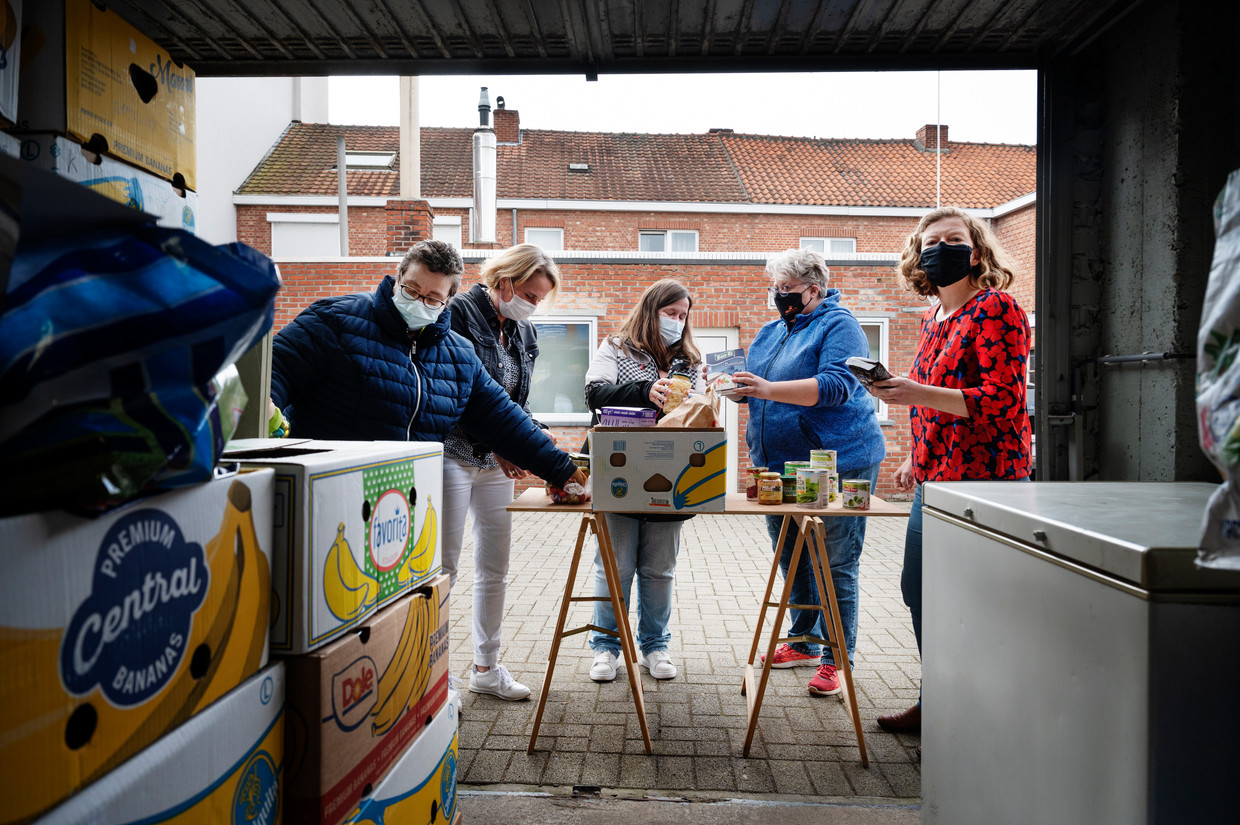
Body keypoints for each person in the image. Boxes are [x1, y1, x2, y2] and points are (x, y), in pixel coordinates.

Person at [269, 239, 589, 689]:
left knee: (399, 608)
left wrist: (562, 470)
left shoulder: (455, 355)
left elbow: (502, 416)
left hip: (398, 506)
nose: (421, 304)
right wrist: (266, 412)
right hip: (330, 500)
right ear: (398, 279)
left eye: (434, 298)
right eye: (413, 291)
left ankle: (416, 687)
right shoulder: (336, 320)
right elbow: (275, 372)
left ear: (448, 300)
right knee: (330, 619)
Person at [869, 207, 1032, 736]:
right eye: (931, 241)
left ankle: (980, 714)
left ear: (976, 251)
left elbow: (1003, 401)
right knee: (920, 592)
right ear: (919, 255)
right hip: (936, 481)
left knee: (975, 604)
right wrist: (917, 458)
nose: (941, 248)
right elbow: (934, 404)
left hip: (989, 482)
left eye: (953, 239)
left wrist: (913, 392)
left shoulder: (997, 309)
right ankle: (939, 699)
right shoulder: (932, 319)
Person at [730, 248, 886, 698]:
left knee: (834, 562)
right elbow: (758, 387)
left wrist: (767, 389)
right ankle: (801, 640)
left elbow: (839, 386)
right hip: (775, 466)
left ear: (814, 289)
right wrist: (739, 390)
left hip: (837, 461)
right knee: (792, 557)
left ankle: (835, 658)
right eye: (774, 290)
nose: (779, 298)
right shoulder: (771, 330)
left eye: (787, 290)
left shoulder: (841, 325)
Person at [441, 244, 561, 701]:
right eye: (529, 294)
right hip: (452, 454)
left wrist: (535, 435)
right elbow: (453, 391)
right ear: (505, 280)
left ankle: (486, 667)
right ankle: (435, 674)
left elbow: (517, 402)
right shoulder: (456, 314)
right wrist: (500, 440)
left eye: (539, 299)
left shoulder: (524, 333)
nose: (533, 304)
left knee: (495, 567)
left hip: (493, 464)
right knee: (444, 567)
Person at [582, 278, 704, 683]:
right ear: (651, 310)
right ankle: (605, 646)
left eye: (683, 315)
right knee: (613, 566)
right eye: (671, 313)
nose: (677, 321)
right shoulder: (616, 347)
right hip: (620, 467)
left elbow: (702, 410)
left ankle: (655, 644)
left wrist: (706, 399)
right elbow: (594, 393)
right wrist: (644, 390)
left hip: (673, 471)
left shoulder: (690, 358)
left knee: (660, 568)